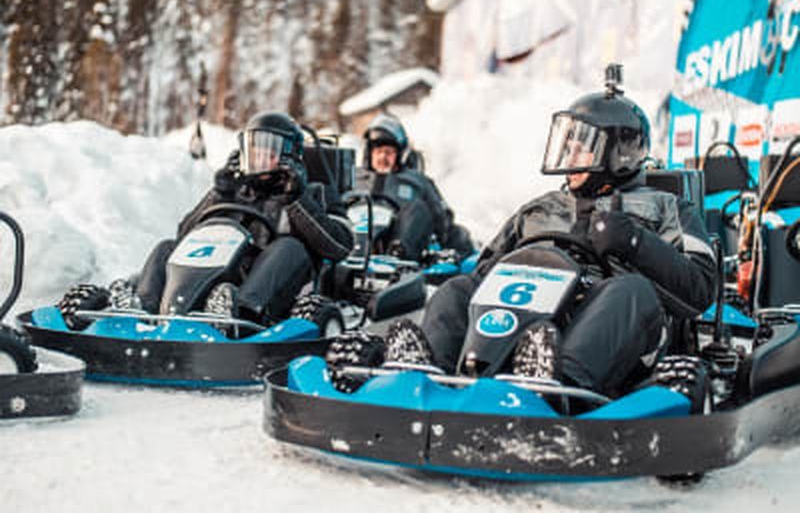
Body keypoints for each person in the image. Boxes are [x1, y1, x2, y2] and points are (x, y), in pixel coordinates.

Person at [337, 70, 717, 398]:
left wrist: (635, 242)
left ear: (619, 152)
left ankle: (559, 385)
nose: (568, 154)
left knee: (629, 290)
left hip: (614, 331)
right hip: (531, 327)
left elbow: (701, 289)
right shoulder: (540, 207)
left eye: (580, 145)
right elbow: (484, 271)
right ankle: (425, 376)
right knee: (457, 289)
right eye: (567, 143)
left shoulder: (668, 206)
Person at [58, 112, 353, 326]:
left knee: (289, 246)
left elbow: (340, 245)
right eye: (255, 151)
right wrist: (219, 193)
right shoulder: (238, 188)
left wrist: (296, 200)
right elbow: (187, 234)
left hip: (275, 290)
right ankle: (143, 312)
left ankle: (238, 315)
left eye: (269, 153)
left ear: (289, 155)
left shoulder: (315, 191)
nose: (261, 160)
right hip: (223, 277)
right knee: (165, 247)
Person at [353, 113, 473, 261]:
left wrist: (461, 247)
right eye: (378, 152)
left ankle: (396, 259)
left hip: (400, 247)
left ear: (399, 155)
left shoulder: (417, 181)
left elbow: (443, 220)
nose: (383, 157)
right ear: (369, 153)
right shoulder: (352, 178)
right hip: (353, 242)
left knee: (418, 208)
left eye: (388, 152)